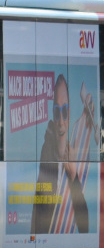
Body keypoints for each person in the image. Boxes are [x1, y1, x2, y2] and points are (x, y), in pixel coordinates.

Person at [31, 74, 90, 234]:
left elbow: (85, 227)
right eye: (57, 112)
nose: (61, 121)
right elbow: (38, 217)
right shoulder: (46, 155)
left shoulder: (78, 155)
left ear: (69, 114)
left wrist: (73, 177)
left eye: (64, 111)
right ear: (53, 115)